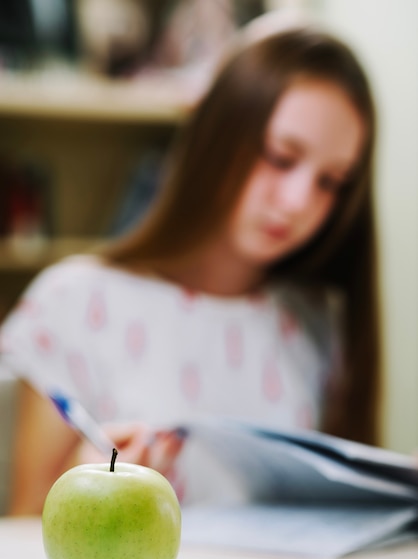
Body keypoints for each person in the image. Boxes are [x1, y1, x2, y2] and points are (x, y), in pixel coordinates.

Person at [0, 14, 381, 515]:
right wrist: (85, 477)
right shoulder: (72, 304)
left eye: (331, 182)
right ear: (218, 133)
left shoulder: (316, 321)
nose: (296, 202)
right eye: (280, 157)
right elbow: (24, 535)